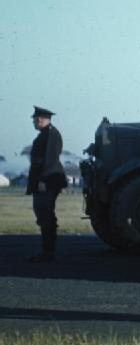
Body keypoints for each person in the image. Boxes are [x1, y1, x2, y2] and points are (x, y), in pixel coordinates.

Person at [25, 106, 68, 262]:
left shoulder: (51, 134)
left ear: (47, 120)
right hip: (43, 181)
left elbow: (50, 160)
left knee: (46, 215)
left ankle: (48, 252)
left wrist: (43, 180)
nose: (36, 122)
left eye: (39, 119)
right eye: (35, 120)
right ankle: (47, 251)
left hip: (47, 181)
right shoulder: (45, 134)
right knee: (43, 215)